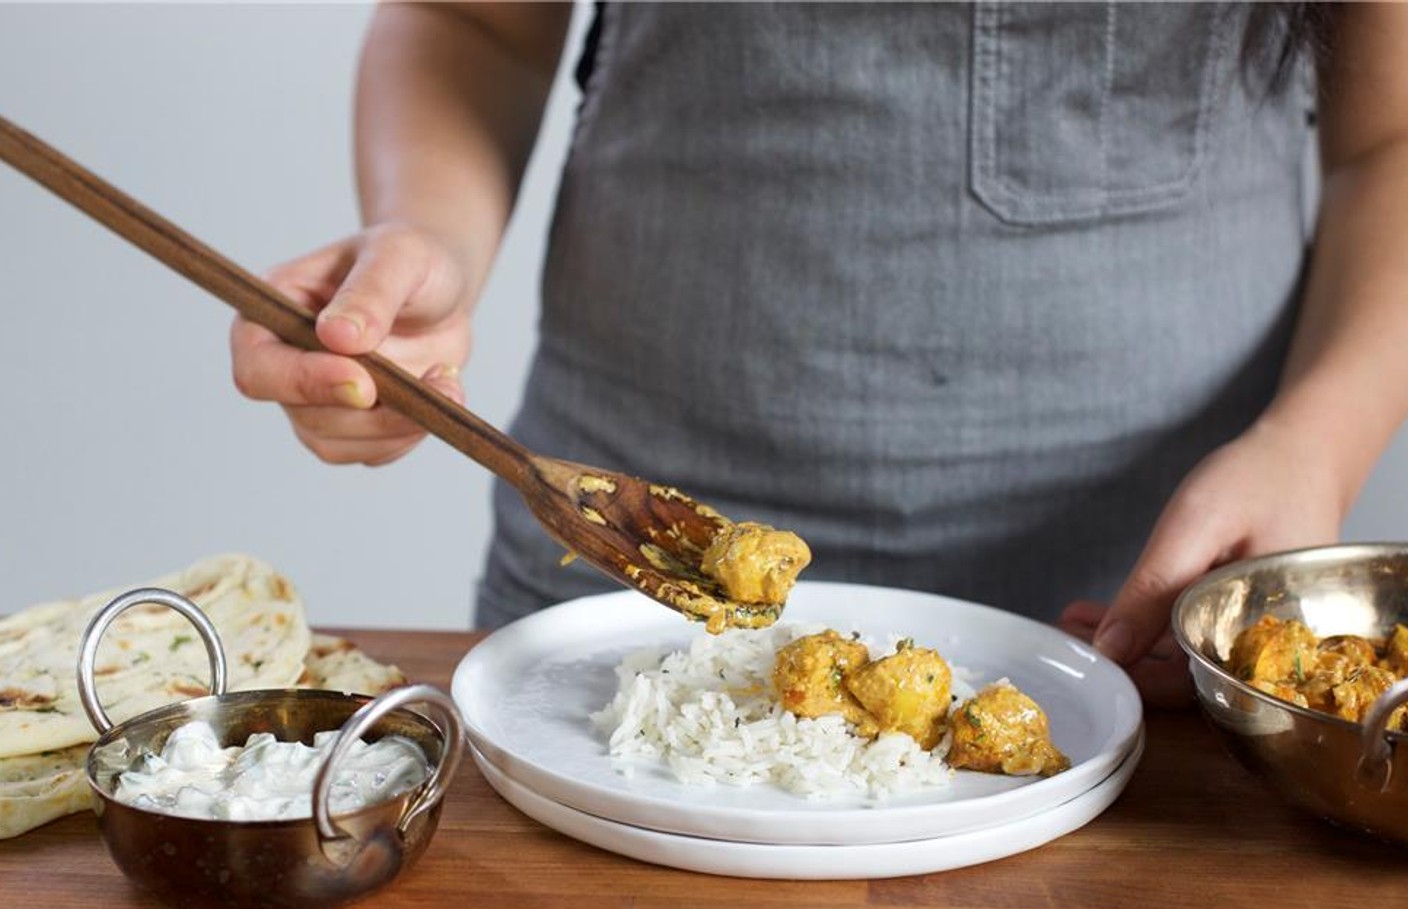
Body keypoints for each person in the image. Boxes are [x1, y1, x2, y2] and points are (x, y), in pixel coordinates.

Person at [231, 2, 1408, 707]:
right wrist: (425, 244)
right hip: (619, 580)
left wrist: (1315, 441)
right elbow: (472, 19)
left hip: (1135, 613)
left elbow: (1390, 134)